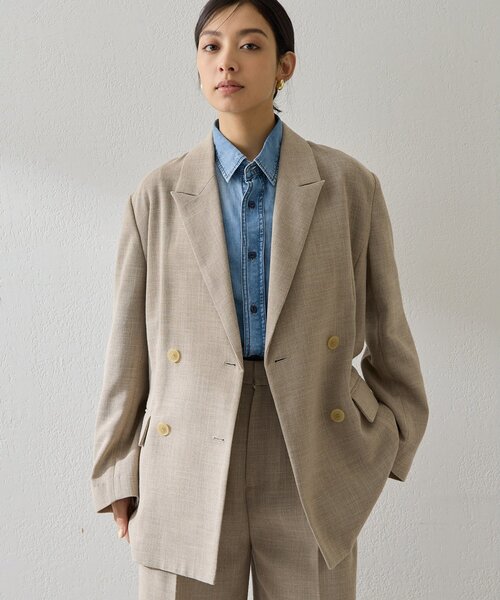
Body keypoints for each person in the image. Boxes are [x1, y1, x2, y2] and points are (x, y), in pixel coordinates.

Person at [90, 1, 429, 598]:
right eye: (211, 46)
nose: (227, 62)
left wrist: (388, 443)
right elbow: (128, 349)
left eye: (250, 45)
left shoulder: (350, 186)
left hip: (310, 442)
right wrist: (116, 467)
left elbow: (389, 332)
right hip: (185, 448)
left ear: (284, 67)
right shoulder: (158, 195)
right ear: (198, 65)